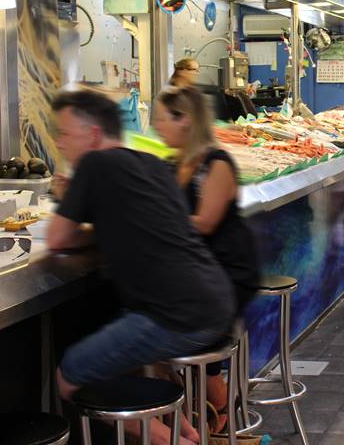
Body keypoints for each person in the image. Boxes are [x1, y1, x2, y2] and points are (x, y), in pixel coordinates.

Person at [48, 90, 235, 445]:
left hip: (174, 314)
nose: (59, 142)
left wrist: (72, 208)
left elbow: (57, 238)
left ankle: (180, 442)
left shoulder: (93, 165)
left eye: (64, 133)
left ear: (92, 134)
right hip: (215, 300)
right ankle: (189, 433)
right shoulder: (153, 164)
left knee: (69, 376)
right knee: (137, 365)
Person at [153, 85, 261, 428]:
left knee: (162, 340)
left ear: (184, 120)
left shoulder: (216, 164)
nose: (155, 126)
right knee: (151, 341)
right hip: (195, 276)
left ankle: (223, 418)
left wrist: (153, 221)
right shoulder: (172, 165)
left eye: (160, 119)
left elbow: (204, 222)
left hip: (226, 277)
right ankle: (192, 417)